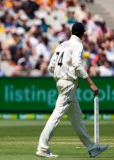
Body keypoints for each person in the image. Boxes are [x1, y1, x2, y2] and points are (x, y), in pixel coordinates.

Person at [36, 22, 108, 158]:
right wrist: (90, 83)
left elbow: (51, 67)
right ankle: (42, 148)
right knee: (56, 115)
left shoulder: (62, 44)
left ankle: (92, 148)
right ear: (82, 33)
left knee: (77, 119)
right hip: (68, 84)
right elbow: (77, 64)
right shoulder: (77, 45)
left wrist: (66, 77)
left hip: (63, 82)